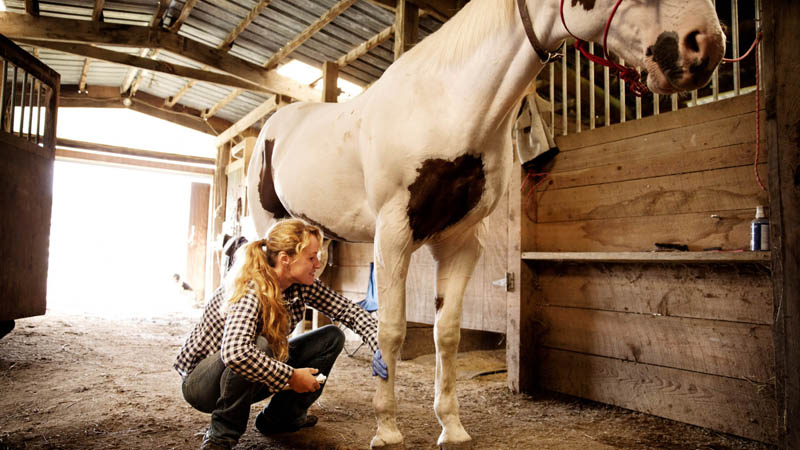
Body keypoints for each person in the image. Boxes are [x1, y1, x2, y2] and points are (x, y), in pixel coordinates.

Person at [174, 218, 388, 450]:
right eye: (311, 257)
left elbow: (347, 310)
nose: (318, 263)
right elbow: (235, 353)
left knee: (331, 338)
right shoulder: (250, 287)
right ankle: (221, 435)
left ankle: (281, 419)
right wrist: (292, 377)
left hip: (248, 375)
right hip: (203, 385)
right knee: (258, 345)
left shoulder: (301, 284)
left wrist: (379, 344)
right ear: (286, 259)